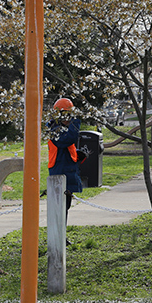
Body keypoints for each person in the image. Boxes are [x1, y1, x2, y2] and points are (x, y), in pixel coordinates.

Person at [47, 98, 86, 238]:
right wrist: (76, 123)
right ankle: (57, 237)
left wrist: (78, 154)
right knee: (59, 208)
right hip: (59, 173)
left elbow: (68, 146)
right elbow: (67, 140)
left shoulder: (62, 129)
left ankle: (61, 236)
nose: (69, 119)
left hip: (68, 172)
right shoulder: (54, 130)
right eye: (67, 116)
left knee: (65, 207)